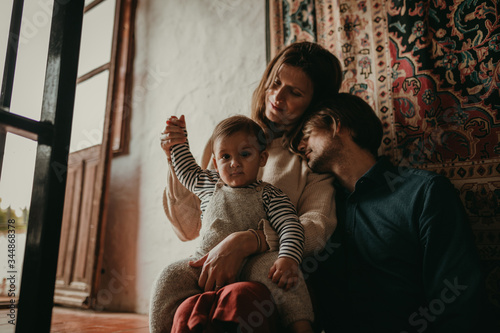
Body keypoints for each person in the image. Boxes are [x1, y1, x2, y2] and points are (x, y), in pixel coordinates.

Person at [151, 41, 343, 333]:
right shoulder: (227, 139)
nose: (278, 97)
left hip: (269, 277)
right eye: (276, 83)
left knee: (237, 300)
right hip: (210, 270)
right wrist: (173, 158)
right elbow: (187, 229)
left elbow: (316, 230)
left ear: (314, 103)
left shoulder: (311, 160)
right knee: (175, 291)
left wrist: (250, 241)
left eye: (295, 92)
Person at [295, 93, 485, 332]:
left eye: (307, 135)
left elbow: (458, 299)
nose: (301, 147)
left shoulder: (424, 194)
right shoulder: (318, 211)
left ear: (335, 125)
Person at [155, 114, 314, 332]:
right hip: (204, 262)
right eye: (225, 156)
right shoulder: (208, 183)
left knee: (283, 275)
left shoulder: (270, 194)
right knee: (168, 276)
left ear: (262, 158)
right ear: (215, 162)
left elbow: (290, 226)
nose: (234, 163)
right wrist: (178, 141)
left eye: (245, 154)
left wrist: (289, 257)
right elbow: (186, 170)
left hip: (253, 263)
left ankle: (302, 326)